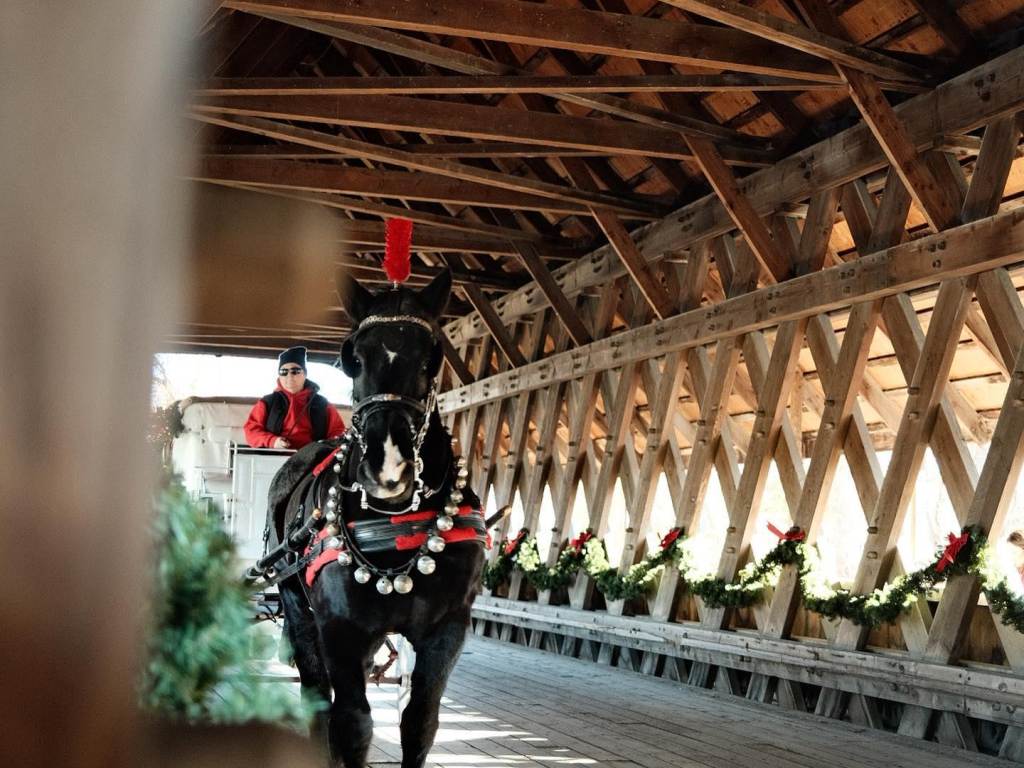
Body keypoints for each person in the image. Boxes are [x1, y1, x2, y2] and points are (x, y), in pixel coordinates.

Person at [244, 346, 345, 450]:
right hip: (275, 456)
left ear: (305, 374)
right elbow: (251, 431)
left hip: (314, 458)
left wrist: (323, 448)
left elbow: (338, 433)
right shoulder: (267, 402)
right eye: (283, 372)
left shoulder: (323, 404)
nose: (289, 376)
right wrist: (272, 441)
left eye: (295, 371)